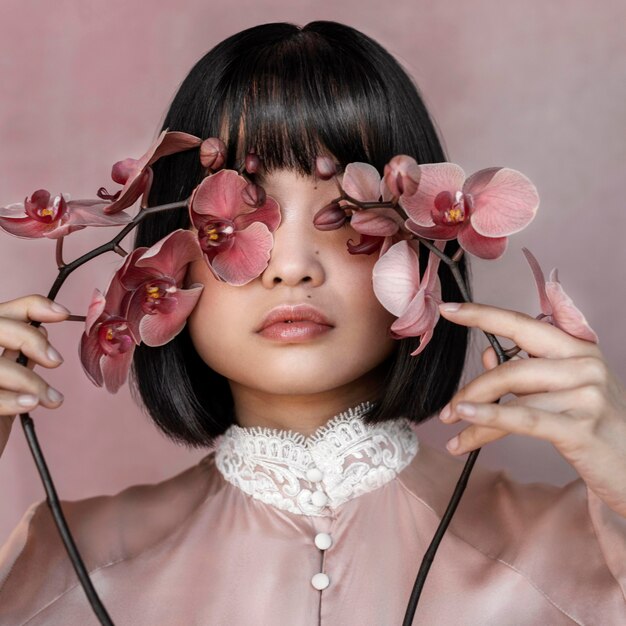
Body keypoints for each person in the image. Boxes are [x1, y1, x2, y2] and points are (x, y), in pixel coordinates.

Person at [0, 20, 624, 626]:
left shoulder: (591, 551)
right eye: (245, 218)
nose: (292, 268)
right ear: (164, 260)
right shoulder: (62, 562)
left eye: (344, 213)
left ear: (432, 250)